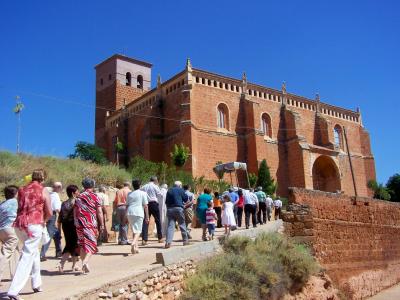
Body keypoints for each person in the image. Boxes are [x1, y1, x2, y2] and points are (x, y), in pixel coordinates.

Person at [7, 169, 52, 300]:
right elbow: (49, 211)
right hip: (34, 224)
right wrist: (44, 221)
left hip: (19, 225)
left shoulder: (21, 189)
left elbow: (20, 206)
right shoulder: (43, 190)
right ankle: (14, 290)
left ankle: (36, 283)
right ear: (43, 178)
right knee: (27, 255)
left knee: (34, 253)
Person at [74, 178, 104, 274]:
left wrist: (76, 221)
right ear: (93, 185)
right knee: (92, 244)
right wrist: (102, 224)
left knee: (83, 244)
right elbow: (99, 211)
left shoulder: (79, 197)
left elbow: (75, 211)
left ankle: (84, 264)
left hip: (79, 223)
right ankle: (85, 262)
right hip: (90, 223)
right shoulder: (95, 196)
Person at [57, 185, 80, 273]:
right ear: (73, 193)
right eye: (77, 191)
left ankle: (74, 265)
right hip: (74, 226)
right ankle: (62, 263)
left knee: (71, 244)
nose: (78, 193)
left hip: (65, 226)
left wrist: (59, 229)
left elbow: (60, 217)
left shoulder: (64, 203)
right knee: (72, 245)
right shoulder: (77, 202)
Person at [0, 185, 19, 283]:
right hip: (11, 229)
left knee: (14, 251)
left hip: (1, 230)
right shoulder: (16, 202)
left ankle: (15, 275)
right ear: (15, 194)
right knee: (6, 252)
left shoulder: (2, 204)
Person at [40, 182, 62, 261]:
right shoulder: (55, 195)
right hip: (51, 215)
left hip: (43, 214)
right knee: (49, 234)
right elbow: (57, 208)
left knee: (56, 234)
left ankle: (59, 251)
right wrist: (61, 217)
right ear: (58, 187)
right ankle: (42, 254)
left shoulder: (46, 193)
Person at [126, 179, 149, 255]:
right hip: (138, 212)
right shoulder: (143, 193)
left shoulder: (129, 194)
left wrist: (126, 215)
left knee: (134, 230)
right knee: (138, 231)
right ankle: (133, 243)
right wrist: (147, 216)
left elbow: (127, 205)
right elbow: (145, 206)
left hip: (130, 212)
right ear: (140, 185)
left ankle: (136, 248)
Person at [165, 181, 189, 248]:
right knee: (182, 224)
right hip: (179, 209)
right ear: (180, 185)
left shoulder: (169, 190)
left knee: (170, 226)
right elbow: (186, 199)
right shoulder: (181, 190)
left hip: (170, 209)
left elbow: (166, 202)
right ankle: (185, 241)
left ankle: (168, 242)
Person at [141, 176, 163, 245]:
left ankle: (144, 240)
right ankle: (160, 238)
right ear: (155, 180)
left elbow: (141, 193)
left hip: (146, 204)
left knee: (146, 221)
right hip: (154, 203)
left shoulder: (144, 186)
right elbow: (160, 194)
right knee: (158, 220)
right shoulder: (155, 186)